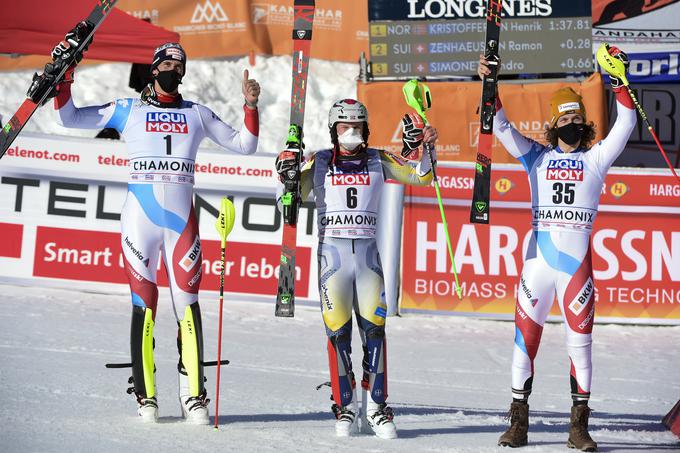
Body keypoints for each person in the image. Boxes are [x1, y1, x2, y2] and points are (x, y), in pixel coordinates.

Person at [48, 24, 261, 424]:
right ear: (153, 69)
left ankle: (193, 395)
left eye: (179, 64)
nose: (172, 68)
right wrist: (65, 80)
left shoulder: (196, 113)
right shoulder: (129, 110)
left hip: (181, 225)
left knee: (188, 307)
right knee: (144, 304)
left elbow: (246, 144)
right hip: (139, 223)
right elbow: (68, 118)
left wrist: (250, 105)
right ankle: (146, 397)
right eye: (166, 62)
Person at [478, 47, 636, 451]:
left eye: (577, 118)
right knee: (523, 342)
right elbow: (498, 125)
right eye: (564, 118)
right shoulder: (537, 156)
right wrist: (490, 81)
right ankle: (518, 423)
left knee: (580, 347)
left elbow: (627, 121)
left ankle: (578, 427)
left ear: (585, 124)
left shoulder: (597, 158)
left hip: (576, 268)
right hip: (538, 264)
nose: (571, 124)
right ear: (553, 123)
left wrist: (618, 82)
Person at [275, 99, 438, 438]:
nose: (351, 133)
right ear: (333, 130)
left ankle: (377, 407)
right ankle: (345, 405)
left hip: (367, 260)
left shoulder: (378, 158)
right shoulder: (319, 161)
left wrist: (424, 147)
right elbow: (286, 202)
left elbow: (423, 177)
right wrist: (285, 175)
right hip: (332, 259)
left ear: (366, 129)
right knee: (338, 336)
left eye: (357, 127)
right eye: (344, 127)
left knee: (375, 333)